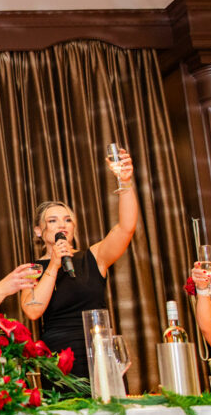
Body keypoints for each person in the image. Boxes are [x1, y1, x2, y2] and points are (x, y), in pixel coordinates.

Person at [21, 148, 138, 379]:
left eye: (67, 220)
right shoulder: (32, 270)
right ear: (38, 231)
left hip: (100, 353)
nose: (62, 225)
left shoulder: (94, 257)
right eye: (52, 221)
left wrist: (125, 184)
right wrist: (54, 264)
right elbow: (32, 311)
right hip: (59, 361)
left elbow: (126, 228)